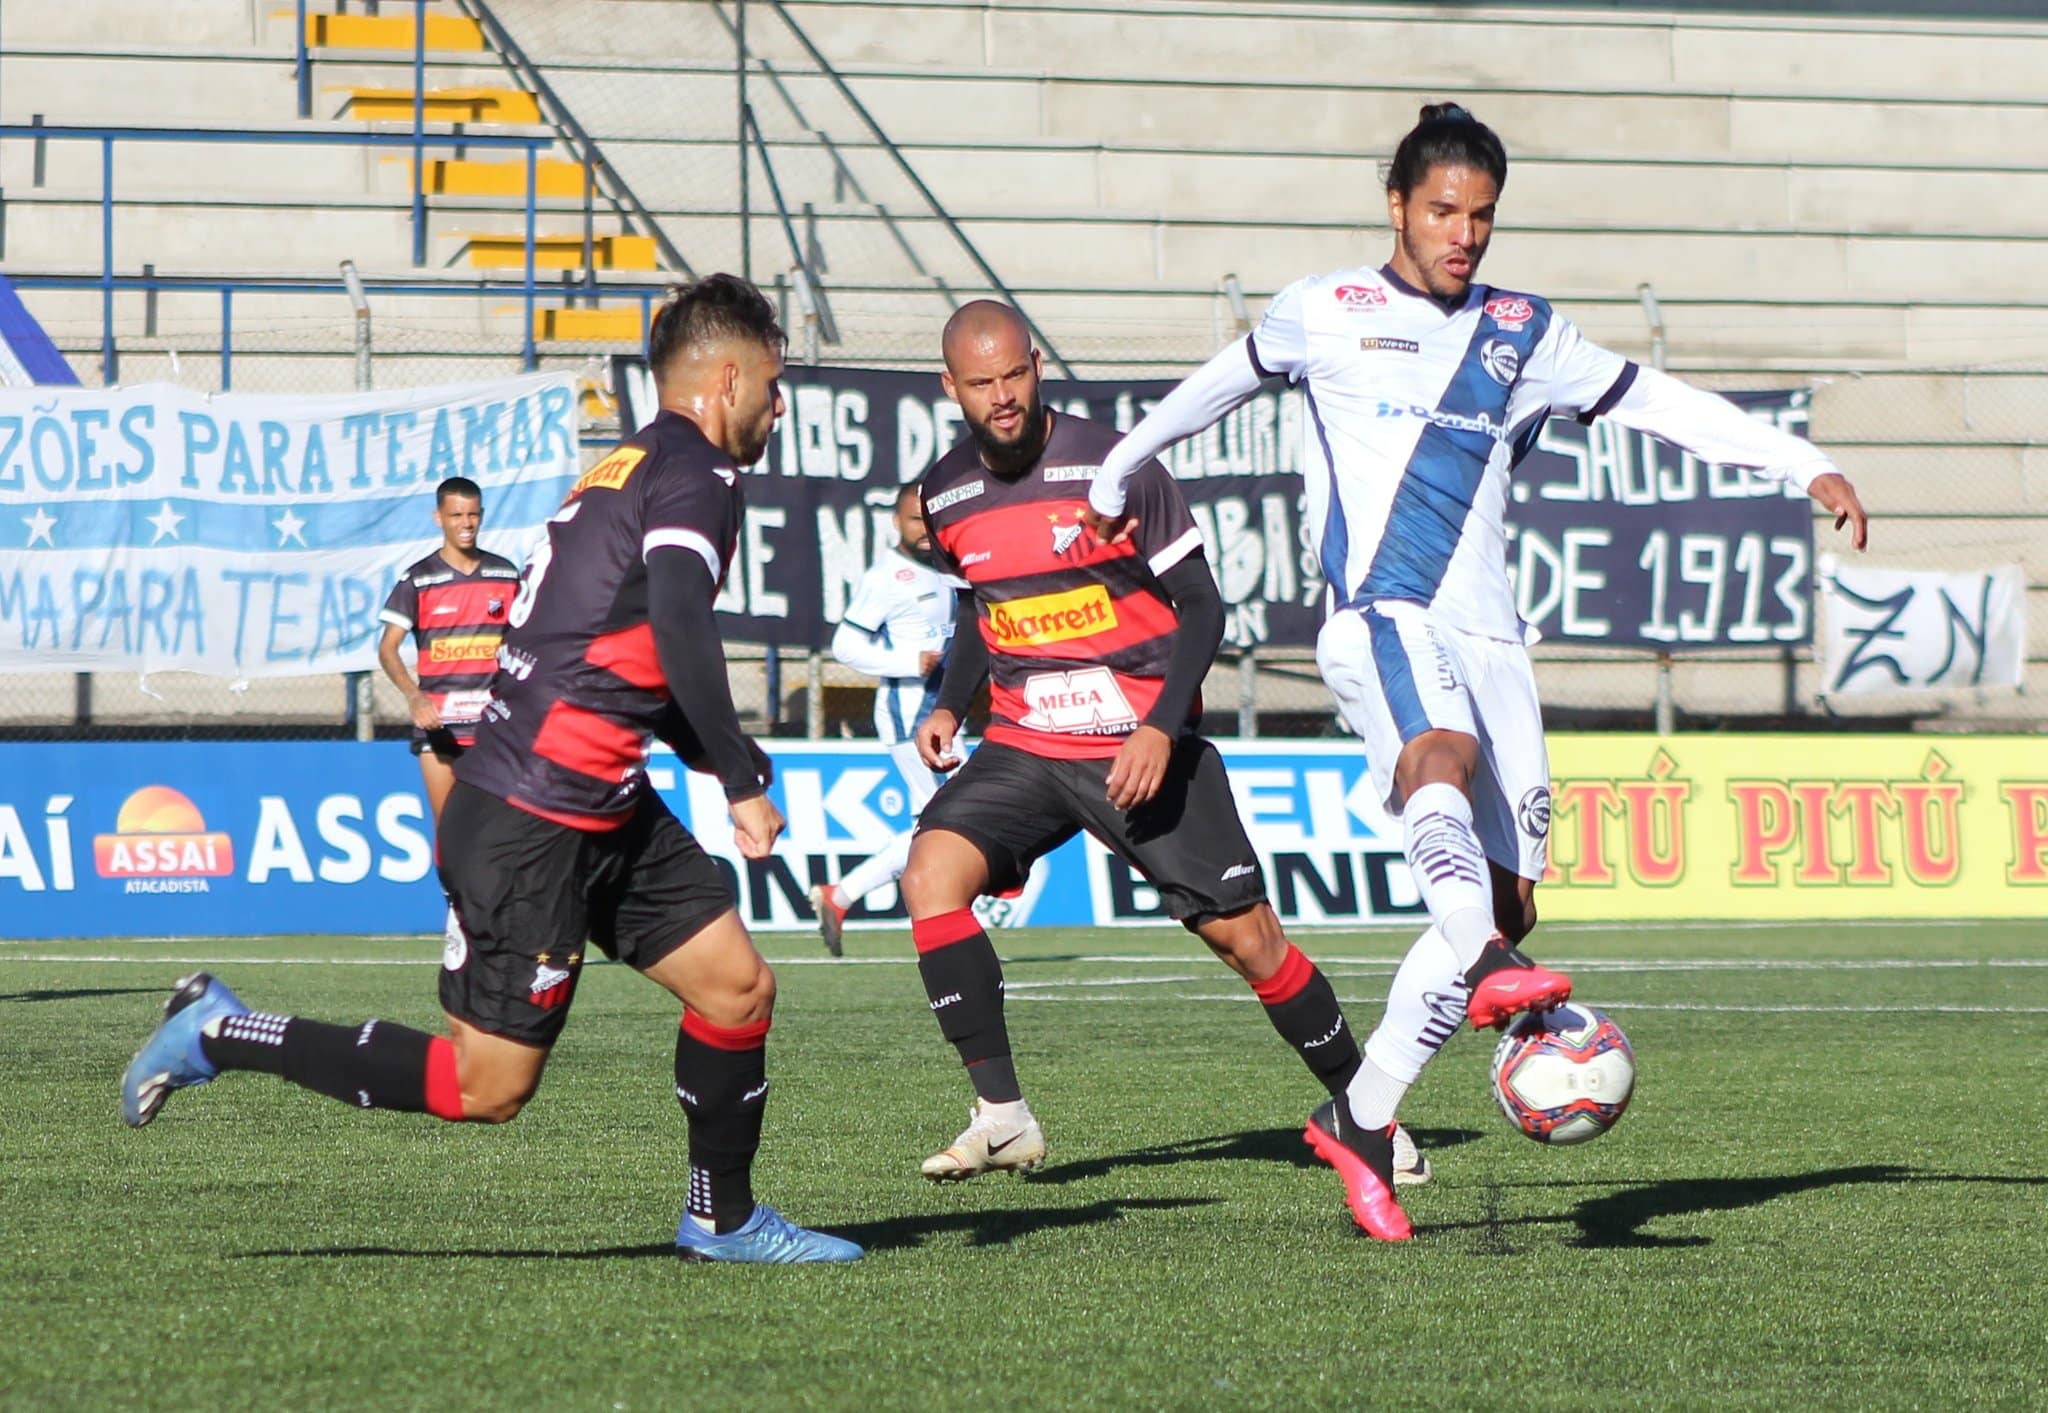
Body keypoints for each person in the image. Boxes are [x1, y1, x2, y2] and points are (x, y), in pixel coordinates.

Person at [1083, 102, 1871, 1240]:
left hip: (1492, 636)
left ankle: (1361, 1117)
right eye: (1443, 210)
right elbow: (1216, 385)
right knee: (1436, 759)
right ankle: (1490, 964)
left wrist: (1800, 463)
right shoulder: (1325, 309)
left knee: (1508, 894)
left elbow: (1654, 402)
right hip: (1381, 612)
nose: (1462, 233)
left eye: (1482, 215)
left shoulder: (1521, 331)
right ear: (1396, 205)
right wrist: (1116, 470)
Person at [120, 275, 861, 1265]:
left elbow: (619, 654)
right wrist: (738, 777)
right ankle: (220, 1032)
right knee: (489, 1087)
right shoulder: (699, 472)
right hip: (531, 818)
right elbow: (680, 621)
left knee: (735, 988)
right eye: (773, 382)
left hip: (602, 803)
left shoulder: (628, 467)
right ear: (727, 379)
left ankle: (720, 1220)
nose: (778, 405)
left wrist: (706, 751)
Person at [900, 300, 1379, 1218]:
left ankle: (1368, 1113)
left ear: (1037, 366)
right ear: (951, 387)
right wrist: (949, 705)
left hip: (1138, 743)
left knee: (1248, 940)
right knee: (930, 874)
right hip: (1027, 742)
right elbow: (976, 606)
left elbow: (1203, 604)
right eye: (982, 382)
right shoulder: (944, 493)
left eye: (1015, 374)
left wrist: (1161, 726)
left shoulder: (1117, 466)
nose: (1003, 397)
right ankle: (1002, 1114)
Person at [809, 481, 959, 957]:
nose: (924, 529)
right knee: (954, 817)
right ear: (895, 522)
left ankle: (841, 895)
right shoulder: (886, 578)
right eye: (914, 520)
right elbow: (845, 645)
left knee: (943, 819)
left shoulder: (951, 566)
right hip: (910, 714)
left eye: (930, 519)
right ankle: (947, 915)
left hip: (944, 712)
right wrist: (907, 661)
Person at [376, 477, 522, 825]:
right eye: (456, 515)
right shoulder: (418, 579)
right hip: (440, 726)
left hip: (493, 726)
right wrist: (415, 698)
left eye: (472, 515)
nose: (466, 523)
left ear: (481, 515)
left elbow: (524, 642)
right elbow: (388, 649)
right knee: (452, 834)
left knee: (497, 834)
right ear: (438, 518)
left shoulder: (505, 574)